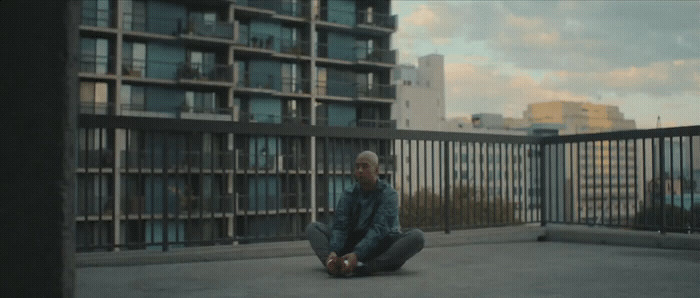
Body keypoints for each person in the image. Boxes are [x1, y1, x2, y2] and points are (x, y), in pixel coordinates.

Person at [306, 151, 425, 277]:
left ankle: (366, 267)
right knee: (313, 228)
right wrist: (334, 250)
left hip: (381, 246)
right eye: (357, 167)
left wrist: (357, 254)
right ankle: (333, 264)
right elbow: (340, 227)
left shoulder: (389, 195)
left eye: (365, 166)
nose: (360, 170)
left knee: (417, 237)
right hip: (353, 243)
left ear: (377, 170)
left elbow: (379, 229)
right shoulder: (348, 194)